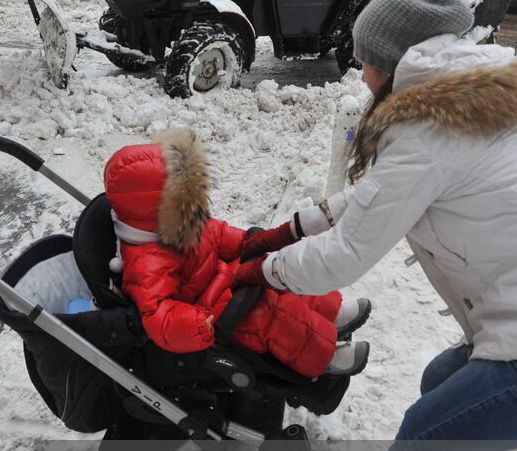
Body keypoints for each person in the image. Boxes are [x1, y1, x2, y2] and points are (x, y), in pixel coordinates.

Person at [235, 0, 517, 451]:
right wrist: (286, 231)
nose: (361, 74)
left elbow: (346, 255)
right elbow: (377, 198)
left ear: (396, 63)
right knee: (445, 380)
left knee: (427, 432)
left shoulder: (425, 129)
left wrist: (263, 272)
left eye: (367, 61)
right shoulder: (489, 98)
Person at [103, 127, 371, 378]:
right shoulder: (145, 262)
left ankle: (332, 312)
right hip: (215, 315)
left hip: (225, 282)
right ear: (156, 208)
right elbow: (161, 318)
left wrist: (247, 242)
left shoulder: (180, 222)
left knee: (277, 273)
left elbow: (217, 235)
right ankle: (324, 355)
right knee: (272, 313)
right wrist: (201, 323)